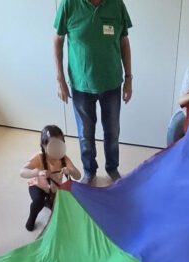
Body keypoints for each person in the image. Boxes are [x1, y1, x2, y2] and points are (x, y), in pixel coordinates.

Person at [54, 0, 133, 185]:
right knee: (85, 133)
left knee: (112, 131)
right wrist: (60, 79)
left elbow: (124, 41)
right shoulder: (69, 5)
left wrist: (129, 78)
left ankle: (112, 168)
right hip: (81, 85)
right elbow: (58, 39)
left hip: (111, 83)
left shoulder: (117, 4)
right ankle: (89, 171)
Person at [20, 125, 81, 232]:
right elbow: (23, 172)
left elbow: (78, 176)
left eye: (59, 145)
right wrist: (38, 172)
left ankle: (48, 201)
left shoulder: (64, 159)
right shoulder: (39, 157)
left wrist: (70, 171)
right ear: (44, 146)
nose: (56, 149)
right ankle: (32, 218)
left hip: (53, 189)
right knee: (38, 200)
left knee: (63, 206)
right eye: (53, 146)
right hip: (37, 186)